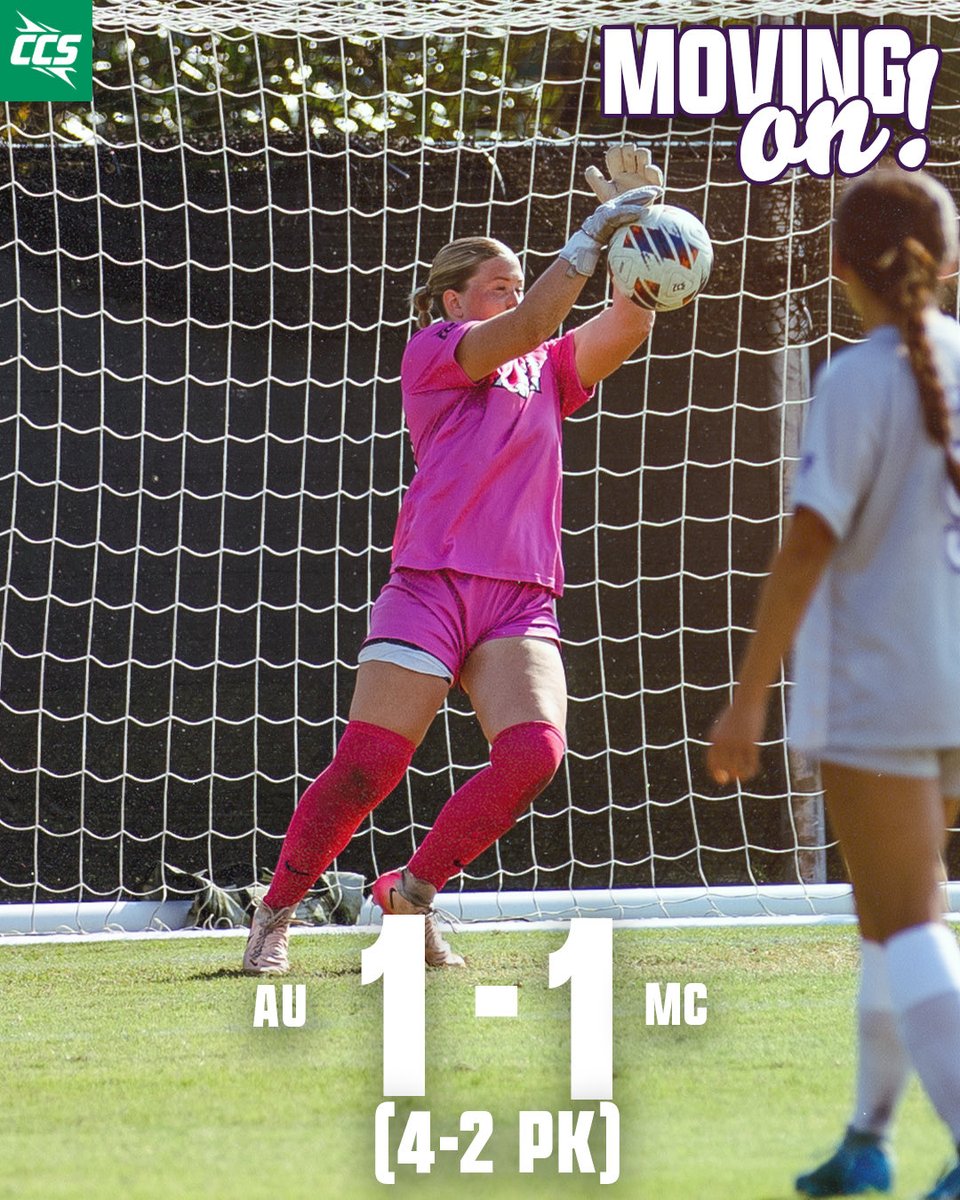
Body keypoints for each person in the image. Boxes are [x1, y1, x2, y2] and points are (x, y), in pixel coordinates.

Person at [244, 146, 662, 976]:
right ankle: (277, 909)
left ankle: (409, 894)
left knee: (533, 756)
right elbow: (533, 321)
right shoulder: (437, 349)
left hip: (519, 597)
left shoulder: (548, 371)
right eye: (497, 285)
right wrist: (586, 239)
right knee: (367, 765)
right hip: (431, 584)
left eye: (516, 282)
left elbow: (627, 321)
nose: (512, 293)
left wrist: (643, 235)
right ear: (453, 301)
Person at [707, 166, 960, 1200]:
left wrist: (747, 695)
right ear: (948, 264)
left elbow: (807, 546)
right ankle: (866, 1137)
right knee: (887, 917)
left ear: (838, 264)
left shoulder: (854, 379)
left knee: (905, 923)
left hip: (883, 689)